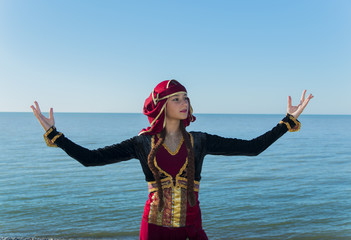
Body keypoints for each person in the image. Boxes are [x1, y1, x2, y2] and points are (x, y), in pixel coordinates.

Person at [31, 79, 313, 240]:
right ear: (162, 105)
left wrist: (287, 121)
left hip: (193, 228)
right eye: (176, 98)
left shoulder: (199, 140)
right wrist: (55, 134)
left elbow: (253, 148)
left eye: (186, 98)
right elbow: (91, 159)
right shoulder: (141, 143)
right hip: (153, 228)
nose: (184, 103)